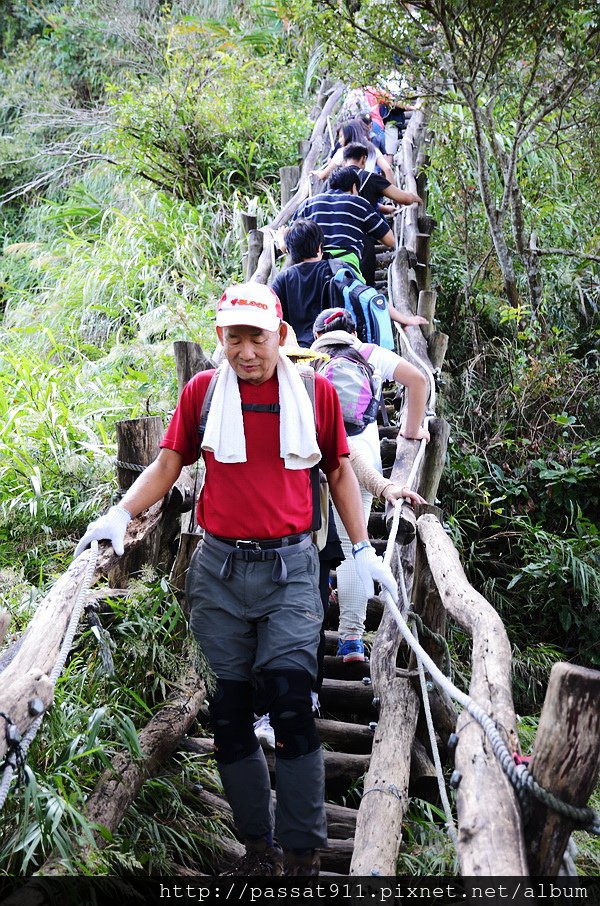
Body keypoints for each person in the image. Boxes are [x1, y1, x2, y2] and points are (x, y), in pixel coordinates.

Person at [75, 282, 397, 877]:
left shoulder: (315, 396)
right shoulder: (202, 393)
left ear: (279, 335)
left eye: (257, 337)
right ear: (221, 339)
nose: (246, 351)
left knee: (294, 704)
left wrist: (360, 550)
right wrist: (121, 514)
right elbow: (170, 461)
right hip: (219, 571)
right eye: (234, 339)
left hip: (292, 570)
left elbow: (340, 471)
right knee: (228, 712)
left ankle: (302, 854)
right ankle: (258, 848)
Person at [311, 307, 429, 663]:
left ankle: (307, 639)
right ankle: (350, 639)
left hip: (317, 460)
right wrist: (409, 431)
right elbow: (419, 380)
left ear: (318, 335)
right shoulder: (368, 353)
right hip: (360, 460)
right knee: (352, 546)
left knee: (311, 545)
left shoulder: (310, 359)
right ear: (353, 331)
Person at [341, 141, 423, 287]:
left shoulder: (334, 182)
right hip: (363, 243)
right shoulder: (370, 178)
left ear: (344, 159)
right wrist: (415, 197)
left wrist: (382, 208)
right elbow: (403, 198)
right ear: (364, 159)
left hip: (334, 246)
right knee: (364, 287)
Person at [292, 166, 394, 280]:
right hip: (347, 272)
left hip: (312, 273)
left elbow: (292, 237)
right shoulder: (358, 203)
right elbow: (390, 240)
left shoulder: (306, 204)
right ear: (354, 187)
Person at [271, 220, 335, 348]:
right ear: (319, 247)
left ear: (288, 251)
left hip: (295, 351)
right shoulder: (334, 270)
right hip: (331, 345)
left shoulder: (283, 279)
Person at [314, 119, 395, 185]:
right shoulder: (373, 149)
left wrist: (317, 173)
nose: (339, 140)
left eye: (341, 136)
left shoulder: (343, 152)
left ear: (349, 135)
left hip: (352, 194)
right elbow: (387, 169)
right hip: (371, 189)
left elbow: (323, 175)